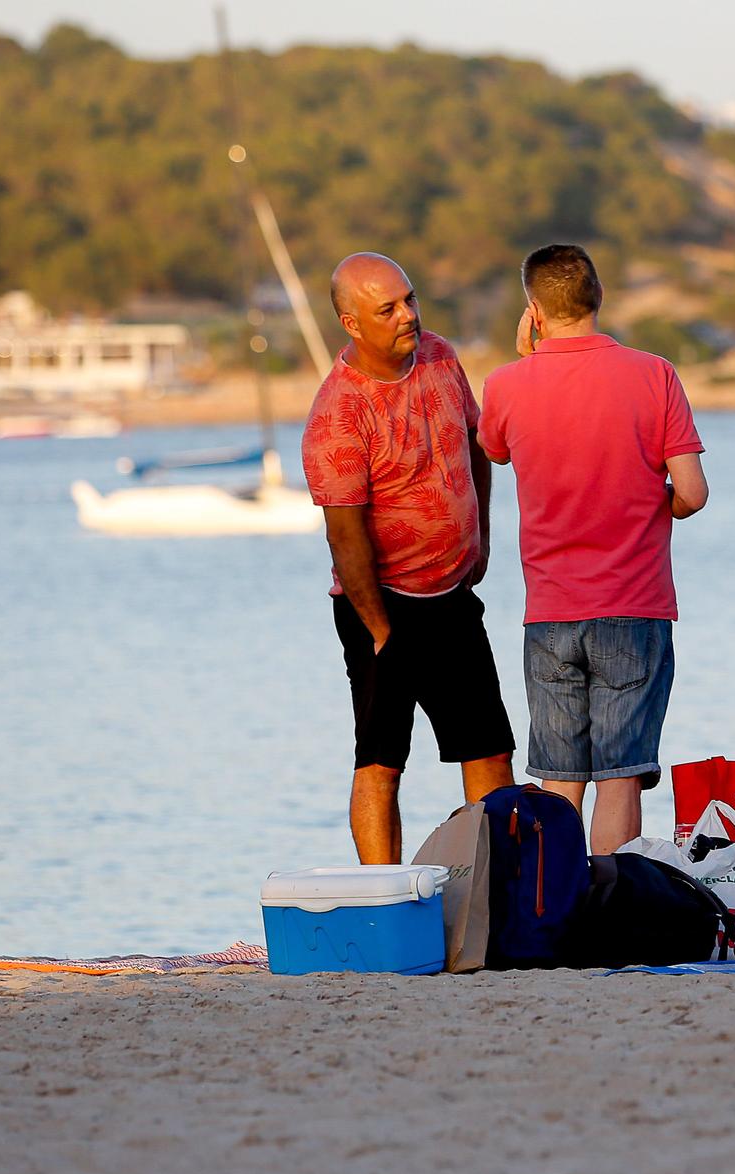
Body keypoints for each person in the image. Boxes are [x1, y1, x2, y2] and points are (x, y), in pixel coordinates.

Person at [479, 244, 709, 853]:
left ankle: (555, 918)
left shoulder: (505, 384)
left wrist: (528, 359)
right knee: (621, 778)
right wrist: (653, 503)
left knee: (559, 782)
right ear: (598, 297)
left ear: (534, 309)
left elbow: (496, 450)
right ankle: (611, 921)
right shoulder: (653, 373)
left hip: (550, 612)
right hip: (634, 608)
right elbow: (692, 492)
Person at [301, 252, 515, 862]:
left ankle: (493, 891)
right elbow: (345, 541)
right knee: (381, 760)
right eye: (387, 308)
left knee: (490, 750)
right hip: (382, 606)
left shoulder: (442, 358)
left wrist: (482, 540)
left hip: (452, 596)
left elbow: (477, 446)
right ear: (351, 322)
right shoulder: (338, 415)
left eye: (410, 299)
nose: (407, 315)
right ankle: (382, 893)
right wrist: (380, 632)